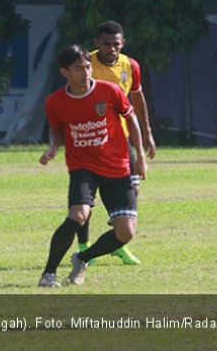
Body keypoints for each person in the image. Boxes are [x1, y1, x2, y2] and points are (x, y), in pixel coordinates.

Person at [37, 44, 146, 288]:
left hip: (117, 167)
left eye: (87, 67)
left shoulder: (109, 91)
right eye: (78, 69)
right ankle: (48, 274)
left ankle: (82, 258)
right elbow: (56, 128)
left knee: (126, 232)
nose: (85, 72)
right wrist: (53, 148)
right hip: (82, 167)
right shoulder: (55, 101)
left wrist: (139, 156)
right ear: (65, 72)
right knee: (78, 215)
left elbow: (131, 117)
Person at [74, 20, 156, 266]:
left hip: (121, 142)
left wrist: (147, 132)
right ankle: (84, 246)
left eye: (116, 44)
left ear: (123, 44)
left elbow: (137, 97)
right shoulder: (85, 63)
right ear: (97, 43)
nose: (111, 49)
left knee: (133, 190)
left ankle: (119, 244)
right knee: (86, 202)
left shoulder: (130, 65)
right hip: (90, 143)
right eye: (106, 44)